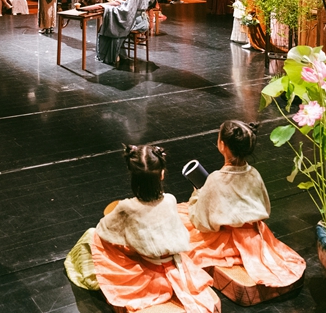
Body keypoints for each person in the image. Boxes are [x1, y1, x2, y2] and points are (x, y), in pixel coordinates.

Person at [64, 145, 220, 313]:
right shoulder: (170, 199)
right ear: (162, 174)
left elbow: (104, 230)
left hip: (148, 271)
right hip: (175, 264)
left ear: (132, 177)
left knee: (92, 235)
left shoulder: (126, 207)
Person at [182, 121, 306, 289]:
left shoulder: (215, 179)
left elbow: (202, 223)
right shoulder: (254, 173)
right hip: (257, 235)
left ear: (222, 145)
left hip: (228, 240)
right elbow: (265, 207)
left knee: (183, 222)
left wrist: (197, 195)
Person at [88, 0, 149, 65]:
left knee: (110, 27)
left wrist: (109, 9)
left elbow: (127, 10)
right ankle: (119, 54)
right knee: (112, 25)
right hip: (142, 19)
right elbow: (132, 6)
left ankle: (109, 56)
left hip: (136, 22)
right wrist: (122, 2)